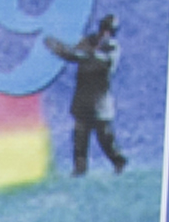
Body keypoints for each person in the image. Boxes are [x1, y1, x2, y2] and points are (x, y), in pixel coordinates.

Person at [44, 15, 129, 175]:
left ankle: (118, 161)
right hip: (83, 99)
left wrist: (82, 53)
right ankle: (79, 167)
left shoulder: (112, 49)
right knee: (80, 137)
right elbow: (73, 55)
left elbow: (100, 61)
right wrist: (58, 49)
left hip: (100, 102)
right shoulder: (87, 42)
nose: (105, 33)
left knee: (105, 138)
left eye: (109, 31)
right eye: (103, 29)